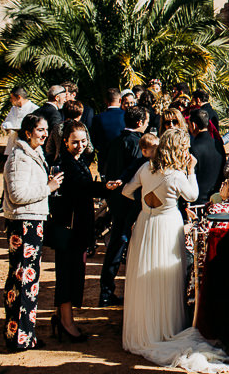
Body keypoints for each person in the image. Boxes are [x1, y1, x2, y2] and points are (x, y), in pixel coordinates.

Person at [122, 129, 229, 372]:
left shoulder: (146, 168)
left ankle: (145, 327)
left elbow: (126, 190)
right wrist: (191, 169)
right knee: (166, 275)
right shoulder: (176, 175)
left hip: (145, 224)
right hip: (167, 227)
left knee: (144, 276)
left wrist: (145, 205)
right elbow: (192, 195)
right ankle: (167, 329)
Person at [50, 120, 122, 341]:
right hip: (70, 229)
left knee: (72, 273)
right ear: (65, 141)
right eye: (75, 142)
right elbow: (76, 191)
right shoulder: (64, 163)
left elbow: (85, 188)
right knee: (68, 275)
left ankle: (62, 318)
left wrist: (104, 187)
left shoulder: (77, 161)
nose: (80, 145)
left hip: (78, 227)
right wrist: (102, 188)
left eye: (83, 141)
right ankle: (66, 321)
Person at [2, 113, 64, 351]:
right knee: (22, 279)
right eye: (40, 130)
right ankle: (19, 337)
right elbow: (17, 195)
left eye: (46, 129)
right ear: (28, 132)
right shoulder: (19, 158)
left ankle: (26, 334)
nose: (45, 133)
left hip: (32, 221)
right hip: (23, 223)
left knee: (30, 280)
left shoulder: (32, 153)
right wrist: (47, 188)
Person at [99, 105, 149, 306]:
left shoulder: (115, 142)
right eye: (145, 121)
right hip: (130, 203)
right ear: (139, 123)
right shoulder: (137, 144)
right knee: (122, 244)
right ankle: (109, 290)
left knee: (116, 247)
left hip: (115, 200)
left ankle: (106, 288)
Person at [189, 109, 225, 205]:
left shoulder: (192, 148)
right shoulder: (219, 145)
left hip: (197, 200)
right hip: (217, 198)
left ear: (193, 125)